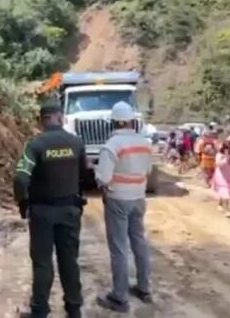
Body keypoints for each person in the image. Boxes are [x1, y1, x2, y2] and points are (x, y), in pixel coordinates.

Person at [14, 99, 90, 318]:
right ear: (60, 117)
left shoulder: (36, 145)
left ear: (42, 120)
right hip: (70, 210)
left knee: (42, 263)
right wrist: (78, 196)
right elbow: (85, 175)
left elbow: (21, 178)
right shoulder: (76, 143)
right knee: (69, 261)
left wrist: (23, 203)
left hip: (42, 213)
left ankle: (40, 311)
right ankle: (74, 309)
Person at [95, 102, 154, 312]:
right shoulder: (145, 143)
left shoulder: (112, 145)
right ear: (131, 121)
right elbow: (148, 170)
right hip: (138, 198)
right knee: (139, 242)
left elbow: (103, 177)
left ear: (115, 122)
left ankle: (119, 297)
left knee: (119, 248)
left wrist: (98, 177)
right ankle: (144, 288)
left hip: (117, 199)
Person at [213, 141, 230, 218]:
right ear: (225, 149)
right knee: (226, 193)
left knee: (224, 192)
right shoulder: (219, 155)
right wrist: (226, 159)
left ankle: (220, 204)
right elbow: (219, 164)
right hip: (221, 177)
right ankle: (227, 211)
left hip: (229, 176)